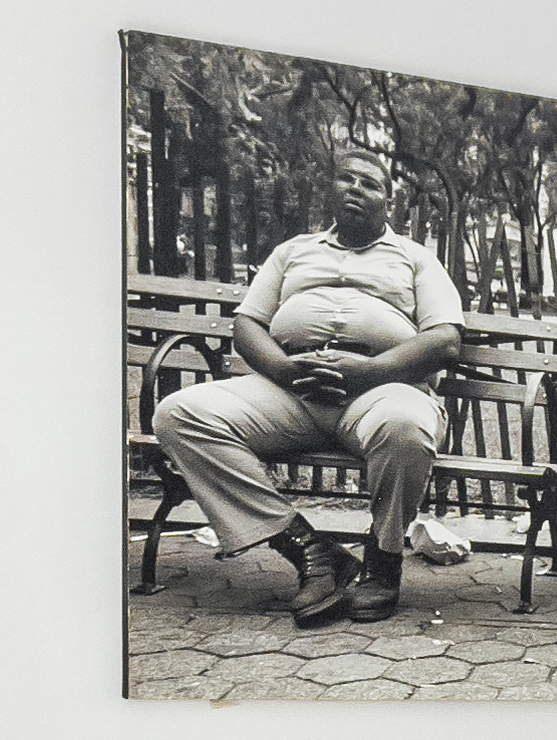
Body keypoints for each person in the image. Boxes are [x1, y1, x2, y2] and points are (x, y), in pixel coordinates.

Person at [152, 131, 466, 629]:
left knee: (407, 426)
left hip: (379, 391)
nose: (356, 189)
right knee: (179, 414)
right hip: (289, 391)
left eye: (370, 183)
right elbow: (247, 325)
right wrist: (281, 368)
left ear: (389, 201)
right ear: (331, 190)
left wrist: (370, 371)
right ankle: (312, 552)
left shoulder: (415, 257)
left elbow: (445, 340)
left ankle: (382, 564)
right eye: (347, 179)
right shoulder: (292, 252)